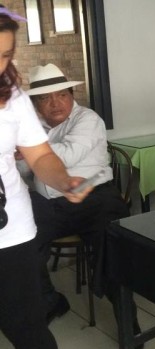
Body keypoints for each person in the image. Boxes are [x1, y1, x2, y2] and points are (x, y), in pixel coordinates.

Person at [0, 5, 91, 349]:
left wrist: (64, 180)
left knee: (28, 327)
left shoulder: (15, 96)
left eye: (5, 55)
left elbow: (40, 156)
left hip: (11, 230)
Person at [24, 63, 129, 323]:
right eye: (45, 98)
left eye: (61, 94)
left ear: (72, 96)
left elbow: (68, 156)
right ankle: (51, 301)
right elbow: (21, 170)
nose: (55, 102)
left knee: (112, 246)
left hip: (95, 197)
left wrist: (27, 149)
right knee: (21, 244)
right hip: (50, 205)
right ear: (36, 104)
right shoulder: (31, 128)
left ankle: (128, 320)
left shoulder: (88, 119)